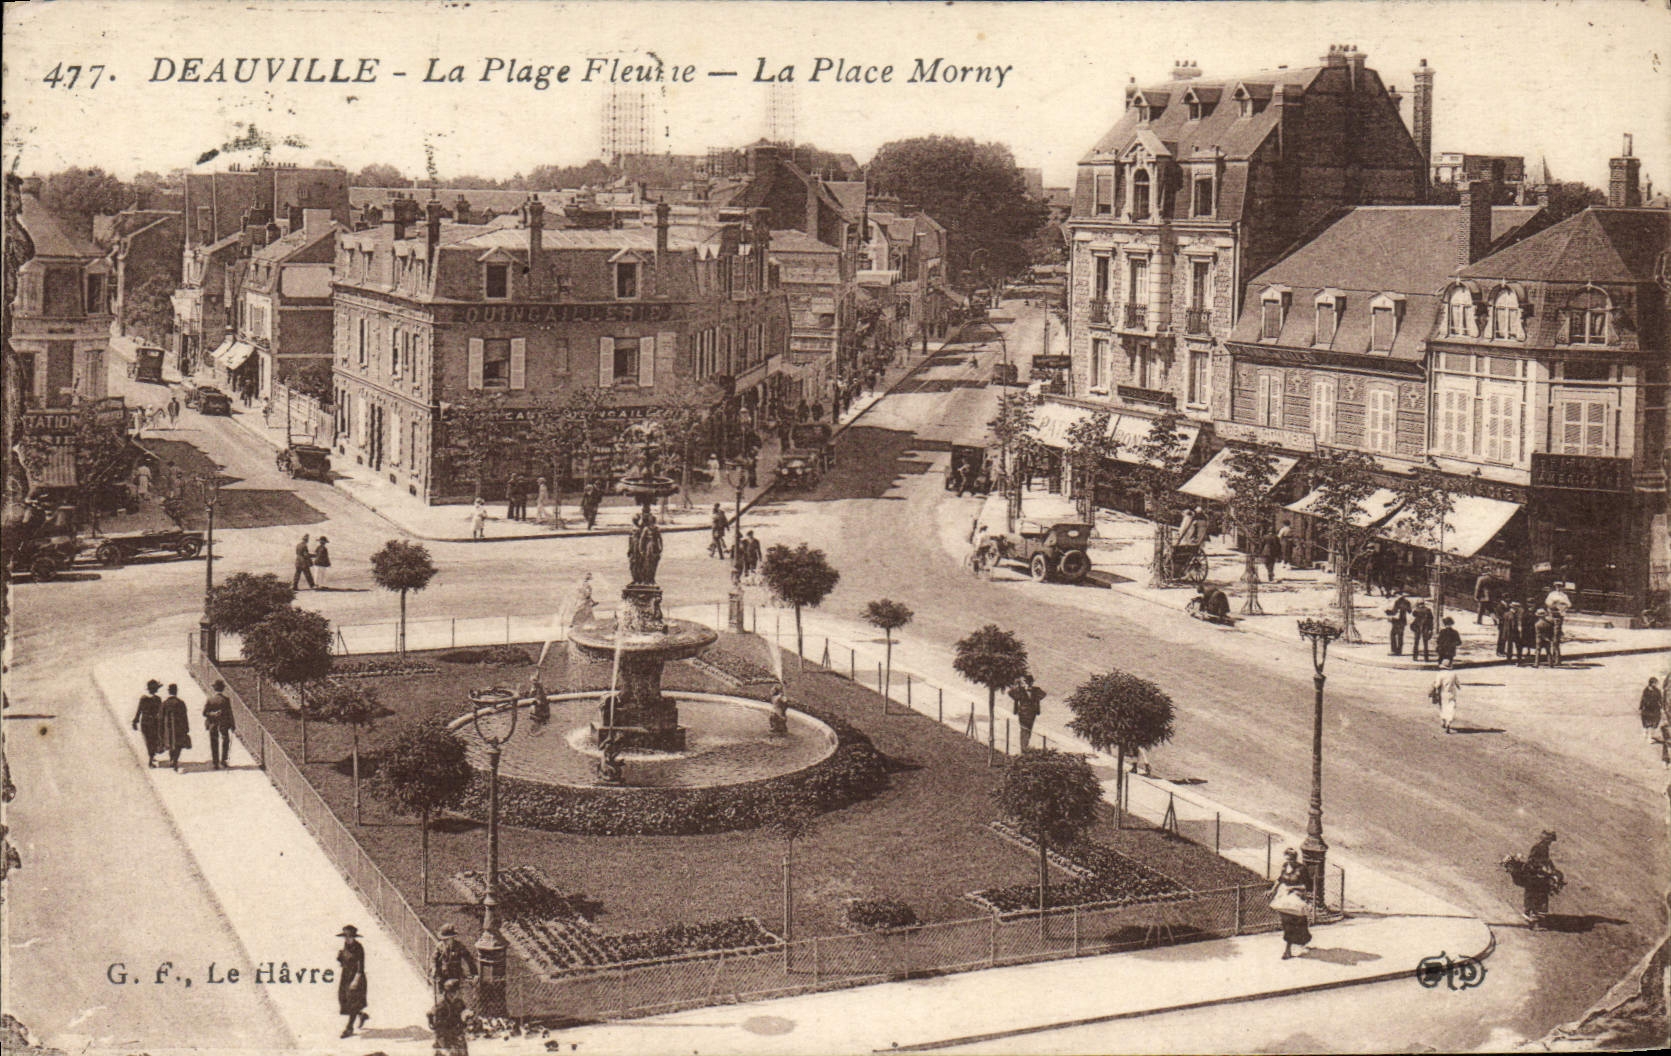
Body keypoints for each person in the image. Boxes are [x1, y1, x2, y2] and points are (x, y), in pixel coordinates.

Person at [1270, 849, 1313, 959]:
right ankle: (1289, 949)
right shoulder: (1285, 866)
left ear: (1295, 858)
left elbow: (1308, 886)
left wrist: (1293, 887)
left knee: (1295, 922)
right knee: (1287, 922)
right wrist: (1272, 890)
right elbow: (1280, 879)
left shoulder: (1302, 869)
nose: (1290, 862)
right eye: (1288, 859)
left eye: (1292, 859)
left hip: (1297, 898)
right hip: (1284, 898)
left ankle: (1290, 947)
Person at [1521, 831, 1563, 928]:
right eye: (1550, 840)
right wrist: (1546, 871)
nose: (1550, 842)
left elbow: (1546, 861)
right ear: (1546, 839)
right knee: (1538, 897)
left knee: (1534, 897)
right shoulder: (1541, 848)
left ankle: (1531, 917)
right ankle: (1535, 923)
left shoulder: (1541, 847)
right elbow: (1536, 862)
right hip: (1536, 876)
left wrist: (1551, 868)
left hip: (1535, 876)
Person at [336, 924, 369, 1038]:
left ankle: (349, 1028)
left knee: (353, 1002)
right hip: (345, 976)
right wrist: (340, 957)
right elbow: (344, 961)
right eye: (345, 937)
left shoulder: (358, 948)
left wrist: (356, 981)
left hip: (356, 978)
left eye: (349, 937)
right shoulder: (346, 945)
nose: (346, 939)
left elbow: (361, 967)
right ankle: (361, 1014)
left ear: (354, 937)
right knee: (343, 999)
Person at [431, 923, 478, 995]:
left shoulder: (459, 946)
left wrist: (474, 974)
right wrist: (434, 968)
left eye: (447, 940)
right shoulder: (440, 946)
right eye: (443, 940)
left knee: (455, 995)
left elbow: (469, 960)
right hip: (443, 974)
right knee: (443, 995)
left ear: (452, 938)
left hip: (455, 975)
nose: (445, 941)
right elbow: (434, 959)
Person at [428, 978, 471, 1056]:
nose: (457, 994)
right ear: (449, 992)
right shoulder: (441, 1006)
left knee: (462, 1051)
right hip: (446, 1036)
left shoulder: (459, 1003)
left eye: (458, 992)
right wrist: (445, 1045)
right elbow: (438, 1028)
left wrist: (467, 1017)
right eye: (454, 992)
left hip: (458, 1034)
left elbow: (465, 1015)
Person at [203, 679, 235, 770]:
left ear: (214, 689)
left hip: (213, 724)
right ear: (222, 689)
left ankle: (215, 762)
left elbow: (205, 713)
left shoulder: (210, 699)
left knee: (214, 742)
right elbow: (230, 713)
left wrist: (213, 714)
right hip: (224, 724)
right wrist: (233, 724)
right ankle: (224, 760)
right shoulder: (226, 700)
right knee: (225, 741)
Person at [132, 679, 164, 767]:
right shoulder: (157, 699)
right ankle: (150, 761)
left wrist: (135, 721)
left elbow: (139, 711)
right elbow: (160, 712)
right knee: (153, 741)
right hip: (154, 723)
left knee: (148, 741)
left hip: (145, 722)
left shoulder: (143, 699)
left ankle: (151, 757)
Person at [1008, 674, 1043, 751]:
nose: (1029, 684)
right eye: (1027, 682)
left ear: (1032, 683)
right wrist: (1017, 686)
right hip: (1023, 713)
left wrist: (1038, 709)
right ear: (1025, 683)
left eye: (1030, 682)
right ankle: (1023, 748)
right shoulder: (1020, 690)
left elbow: (1041, 696)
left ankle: (1025, 747)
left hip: (1032, 713)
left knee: (1029, 730)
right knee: (1024, 730)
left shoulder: (1035, 690)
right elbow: (1011, 694)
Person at [160, 684, 190, 770]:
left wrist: (161, 730)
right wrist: (186, 728)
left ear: (168, 692)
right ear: (176, 691)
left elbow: (161, 718)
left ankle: (171, 759)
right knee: (178, 745)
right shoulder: (181, 703)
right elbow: (185, 716)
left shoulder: (165, 703)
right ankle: (175, 760)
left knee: (170, 744)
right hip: (179, 728)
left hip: (168, 729)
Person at [1431, 659, 1460, 733]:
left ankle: (1443, 720)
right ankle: (1449, 722)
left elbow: (1437, 685)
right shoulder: (1453, 674)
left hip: (1443, 693)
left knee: (1443, 707)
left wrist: (1433, 687)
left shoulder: (1440, 674)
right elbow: (1458, 684)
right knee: (1451, 706)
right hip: (1452, 693)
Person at [1410, 599, 1435, 663]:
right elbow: (1431, 620)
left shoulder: (1416, 610)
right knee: (1425, 643)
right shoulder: (1428, 610)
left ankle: (1415, 657)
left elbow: (1413, 614)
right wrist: (1431, 629)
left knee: (1416, 642)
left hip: (1418, 628)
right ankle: (1426, 658)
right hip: (1425, 628)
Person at [1639, 678, 1663, 744]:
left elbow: (1660, 699)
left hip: (1655, 709)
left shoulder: (1657, 691)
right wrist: (1641, 707)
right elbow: (1643, 699)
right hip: (1647, 709)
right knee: (1649, 723)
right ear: (1651, 683)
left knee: (1655, 722)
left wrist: (1662, 707)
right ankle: (1649, 737)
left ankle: (1649, 735)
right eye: (1655, 683)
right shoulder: (1646, 690)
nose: (1656, 684)